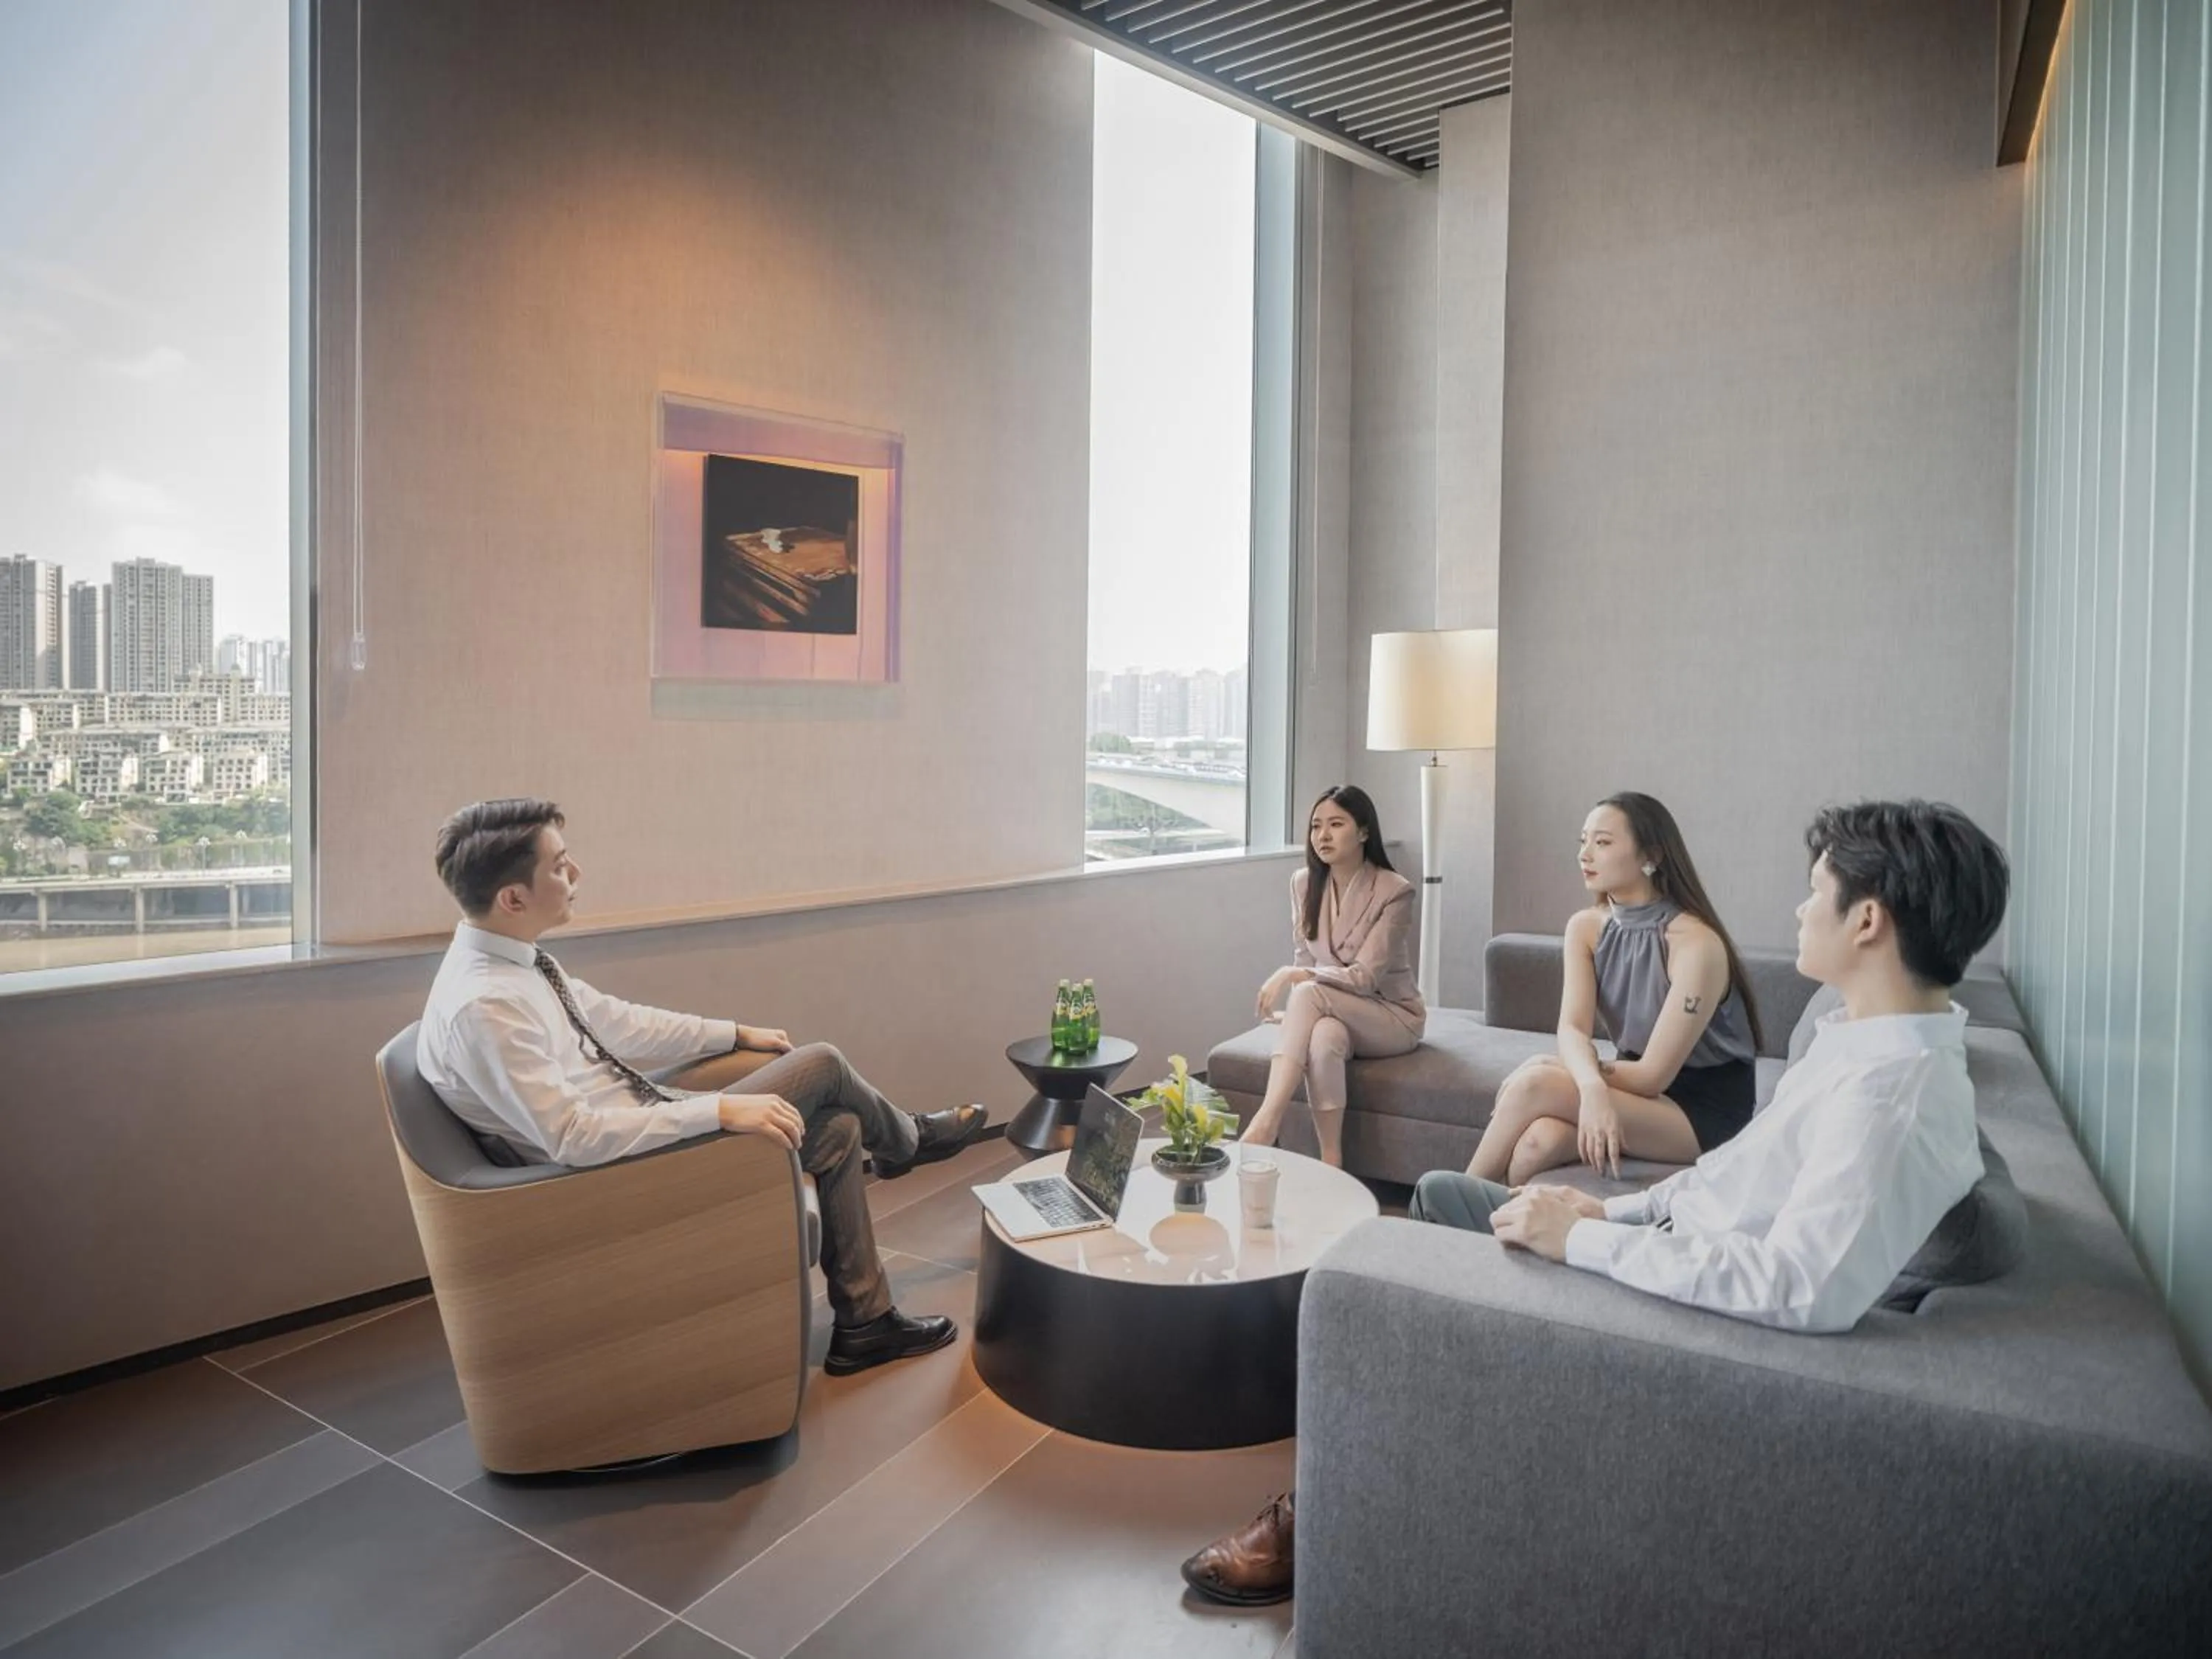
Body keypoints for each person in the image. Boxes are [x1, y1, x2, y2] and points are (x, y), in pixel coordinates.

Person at [1181, 799, 2010, 1607]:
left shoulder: (1890, 1100)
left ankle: (1324, 1510)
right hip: (1653, 1246)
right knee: (1440, 1199)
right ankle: (1373, 1443)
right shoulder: (1855, 1047)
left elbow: (1793, 1289)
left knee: (1384, 1277)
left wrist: (1578, 1247)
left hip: (1665, 1315)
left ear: (1866, 921)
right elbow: (1726, 1179)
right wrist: (1603, 1213)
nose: (1797, 908)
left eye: (1814, 888)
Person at [415, 798, 988, 1377]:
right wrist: (720, 1111)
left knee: (839, 1129)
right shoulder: (486, 1007)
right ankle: (909, 1142)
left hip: (639, 1130)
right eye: (561, 866)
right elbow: (575, 1137)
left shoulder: (517, 964)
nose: (577, 874)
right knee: (822, 1065)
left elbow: (616, 1020)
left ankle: (865, 1324)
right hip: (613, 1182)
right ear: (512, 898)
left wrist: (731, 1033)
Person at [1466, 791, 1764, 1186]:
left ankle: (1438, 1218)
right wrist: (1589, 1086)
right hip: (1630, 1086)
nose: (1585, 854)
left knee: (1535, 1083)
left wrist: (1558, 1069)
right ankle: (1480, 1238)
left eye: (1603, 842)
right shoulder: (1586, 928)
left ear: (1651, 857)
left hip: (1701, 1113)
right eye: (1584, 841)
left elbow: (1653, 1076)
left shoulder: (1696, 945)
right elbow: (1572, 1029)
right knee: (1536, 1144)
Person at [1239, 785, 1425, 1169]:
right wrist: (1298, 1015)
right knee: (1323, 1039)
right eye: (1316, 826)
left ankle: (1265, 1123)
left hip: (1391, 1016)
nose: (1322, 835)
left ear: (1363, 832)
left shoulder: (1395, 890)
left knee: (1306, 993)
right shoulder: (1303, 883)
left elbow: (1365, 977)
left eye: (1336, 824)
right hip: (1335, 1011)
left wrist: (1295, 977)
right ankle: (1331, 1163)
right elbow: (1306, 954)